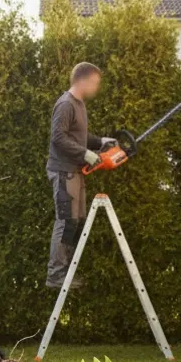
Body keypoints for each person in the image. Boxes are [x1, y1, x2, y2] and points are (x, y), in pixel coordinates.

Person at [46, 61, 116, 289]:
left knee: (77, 221)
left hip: (76, 171)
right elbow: (58, 137)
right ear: (83, 80)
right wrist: (85, 153)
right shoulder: (66, 104)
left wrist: (99, 141)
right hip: (64, 170)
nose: (97, 87)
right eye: (95, 83)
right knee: (66, 221)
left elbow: (78, 136)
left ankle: (65, 269)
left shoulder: (80, 106)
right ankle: (55, 274)